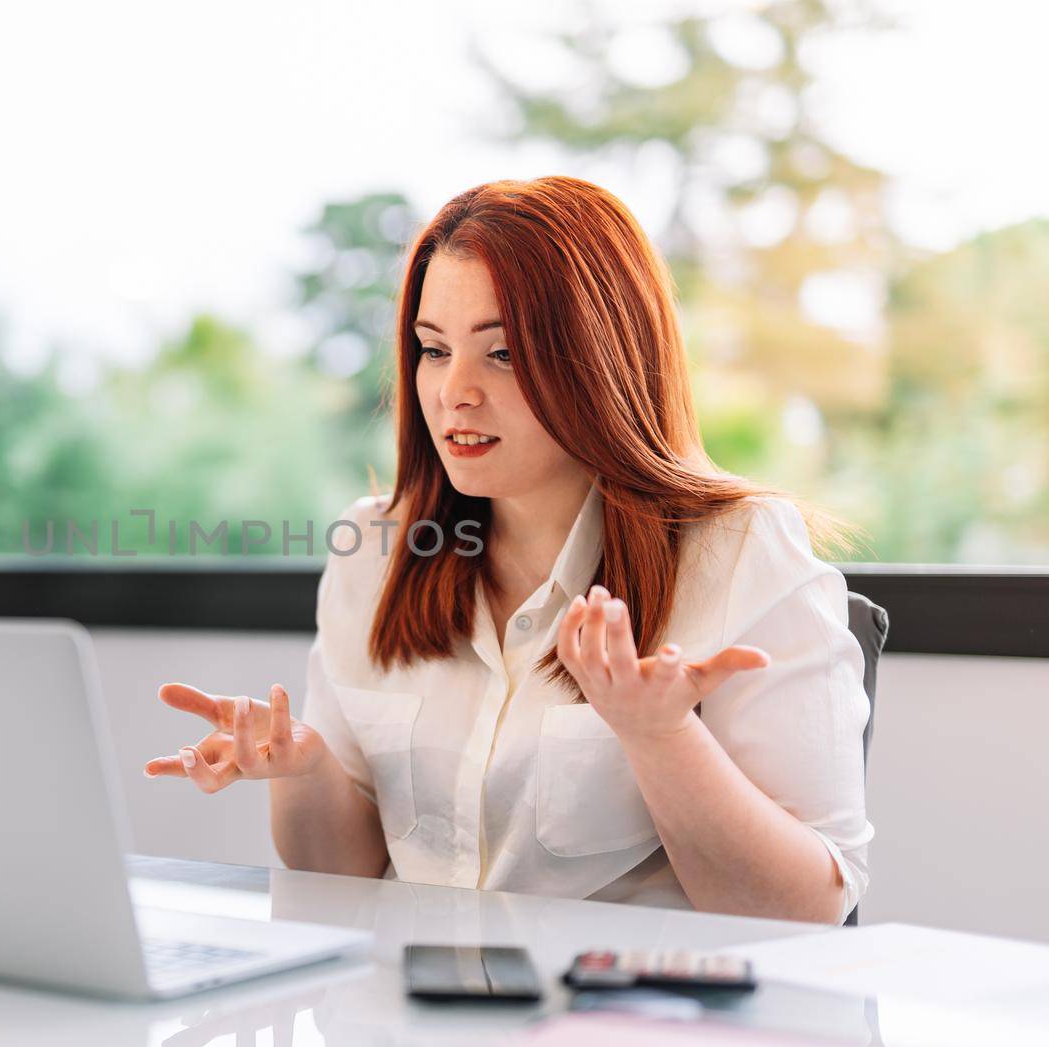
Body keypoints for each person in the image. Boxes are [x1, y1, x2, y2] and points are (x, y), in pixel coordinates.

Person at [144, 177, 872, 923]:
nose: (453, 391)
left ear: (601, 358)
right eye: (433, 350)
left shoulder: (741, 551)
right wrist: (299, 767)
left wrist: (661, 734)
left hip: (621, 1026)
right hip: (407, 1024)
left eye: (503, 354)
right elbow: (344, 874)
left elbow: (805, 910)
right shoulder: (375, 550)